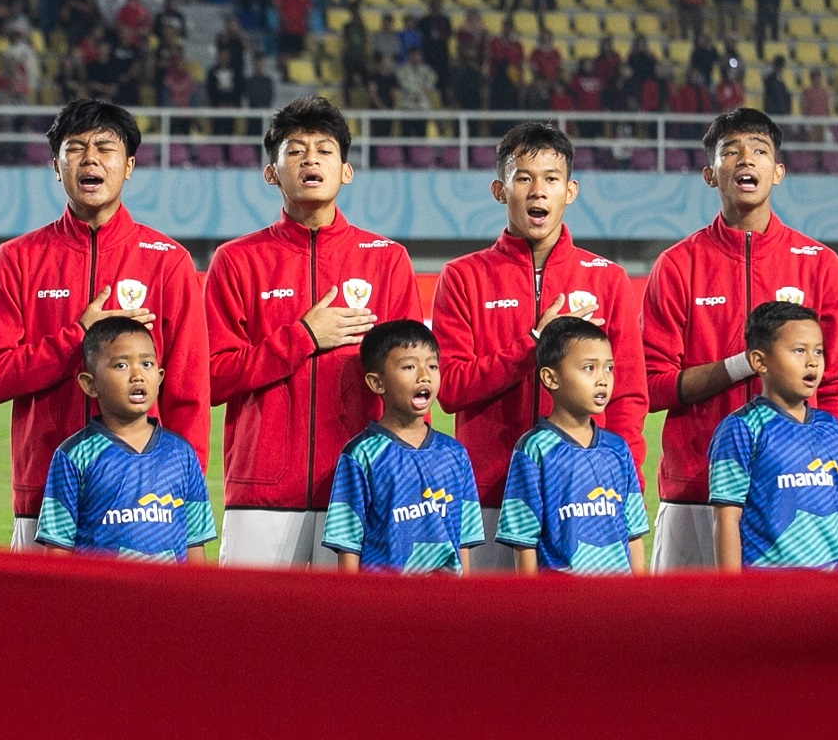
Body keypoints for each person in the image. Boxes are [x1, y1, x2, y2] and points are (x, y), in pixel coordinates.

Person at [0, 99, 206, 551]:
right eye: (75, 149)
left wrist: (185, 488)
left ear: (129, 165)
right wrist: (76, 338)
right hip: (44, 496)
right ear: (56, 167)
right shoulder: (18, 259)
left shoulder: (169, 262)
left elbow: (187, 390)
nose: (90, 159)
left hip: (147, 503)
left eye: (105, 148)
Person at [205, 97, 418, 566]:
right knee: (252, 616)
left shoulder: (387, 260)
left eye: (324, 150)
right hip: (261, 493)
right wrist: (303, 337)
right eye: (296, 151)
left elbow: (413, 379)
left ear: (346, 171)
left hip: (362, 486)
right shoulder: (236, 260)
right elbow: (214, 377)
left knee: (349, 618)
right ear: (271, 173)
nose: (310, 160)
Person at [640, 108, 838, 571]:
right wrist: (741, 365)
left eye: (759, 151)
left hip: (795, 492)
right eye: (731, 151)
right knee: (686, 620)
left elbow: (835, 386)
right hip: (695, 491)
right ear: (709, 174)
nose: (746, 160)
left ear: (777, 171)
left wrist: (828, 474)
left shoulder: (820, 265)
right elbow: (653, 387)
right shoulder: (677, 265)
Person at [431, 121, 645, 571]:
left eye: (551, 178)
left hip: (585, 497)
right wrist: (531, 345)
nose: (538, 191)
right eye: (523, 178)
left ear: (570, 190)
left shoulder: (607, 279)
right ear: (499, 190)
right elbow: (449, 388)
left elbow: (627, 394)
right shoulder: (463, 277)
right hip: (487, 497)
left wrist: (626, 484)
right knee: (495, 616)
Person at [34, 315, 216, 560]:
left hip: (168, 588)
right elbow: (58, 548)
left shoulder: (181, 453)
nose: (137, 375)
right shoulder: (74, 455)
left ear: (160, 377)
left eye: (147, 364)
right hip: (103, 586)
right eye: (121, 365)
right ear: (90, 384)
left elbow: (194, 543)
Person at [708, 300, 838, 572]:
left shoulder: (833, 430)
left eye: (818, 351)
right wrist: (732, 589)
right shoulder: (741, 429)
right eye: (799, 350)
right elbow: (727, 520)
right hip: (770, 587)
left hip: (833, 586)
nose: (812, 361)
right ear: (759, 361)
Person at [322, 318, 483, 573]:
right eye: (409, 366)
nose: (424, 376)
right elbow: (348, 543)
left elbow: (464, 540)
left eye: (432, 366)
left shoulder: (455, 454)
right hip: (384, 596)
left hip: (444, 595)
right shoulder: (361, 456)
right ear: (377, 383)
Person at [495, 314, 651, 575]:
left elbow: (633, 533)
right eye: (589, 368)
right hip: (560, 596)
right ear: (551, 378)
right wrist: (529, 597)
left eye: (609, 368)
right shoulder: (534, 450)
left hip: (617, 595)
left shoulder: (617, 449)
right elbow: (523, 541)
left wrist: (639, 592)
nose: (603, 379)